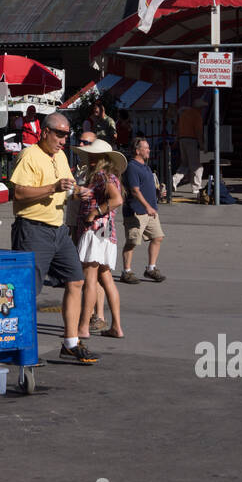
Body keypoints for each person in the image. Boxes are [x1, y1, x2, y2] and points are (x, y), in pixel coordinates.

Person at [10, 111, 97, 364]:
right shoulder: (29, 156)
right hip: (33, 228)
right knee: (28, 291)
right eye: (59, 134)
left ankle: (70, 342)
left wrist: (79, 191)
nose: (63, 140)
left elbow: (67, 186)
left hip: (58, 229)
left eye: (66, 135)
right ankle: (23, 347)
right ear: (45, 132)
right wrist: (52, 188)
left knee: (76, 280)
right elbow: (19, 193)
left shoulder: (59, 156)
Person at [74, 140, 125, 340]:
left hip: (95, 231)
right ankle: (117, 327)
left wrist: (94, 212)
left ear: (104, 158)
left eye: (95, 156)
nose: (91, 159)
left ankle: (84, 326)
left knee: (90, 279)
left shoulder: (103, 176)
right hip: (106, 232)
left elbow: (116, 199)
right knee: (106, 278)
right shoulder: (107, 176)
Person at [121, 137, 164, 285]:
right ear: (137, 150)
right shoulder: (132, 167)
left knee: (157, 237)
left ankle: (151, 268)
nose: (149, 150)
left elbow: (147, 187)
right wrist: (147, 206)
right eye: (146, 148)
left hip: (150, 211)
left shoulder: (145, 166)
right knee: (132, 242)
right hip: (137, 211)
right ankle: (126, 271)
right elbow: (134, 190)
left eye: (148, 148)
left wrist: (158, 194)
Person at [171, 97, 207, 200]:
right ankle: (196, 187)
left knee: (185, 164)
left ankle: (174, 180)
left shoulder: (184, 114)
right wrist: (202, 145)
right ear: (199, 108)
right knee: (196, 166)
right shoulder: (197, 116)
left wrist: (177, 140)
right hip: (192, 141)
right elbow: (198, 132)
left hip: (182, 140)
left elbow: (177, 128)